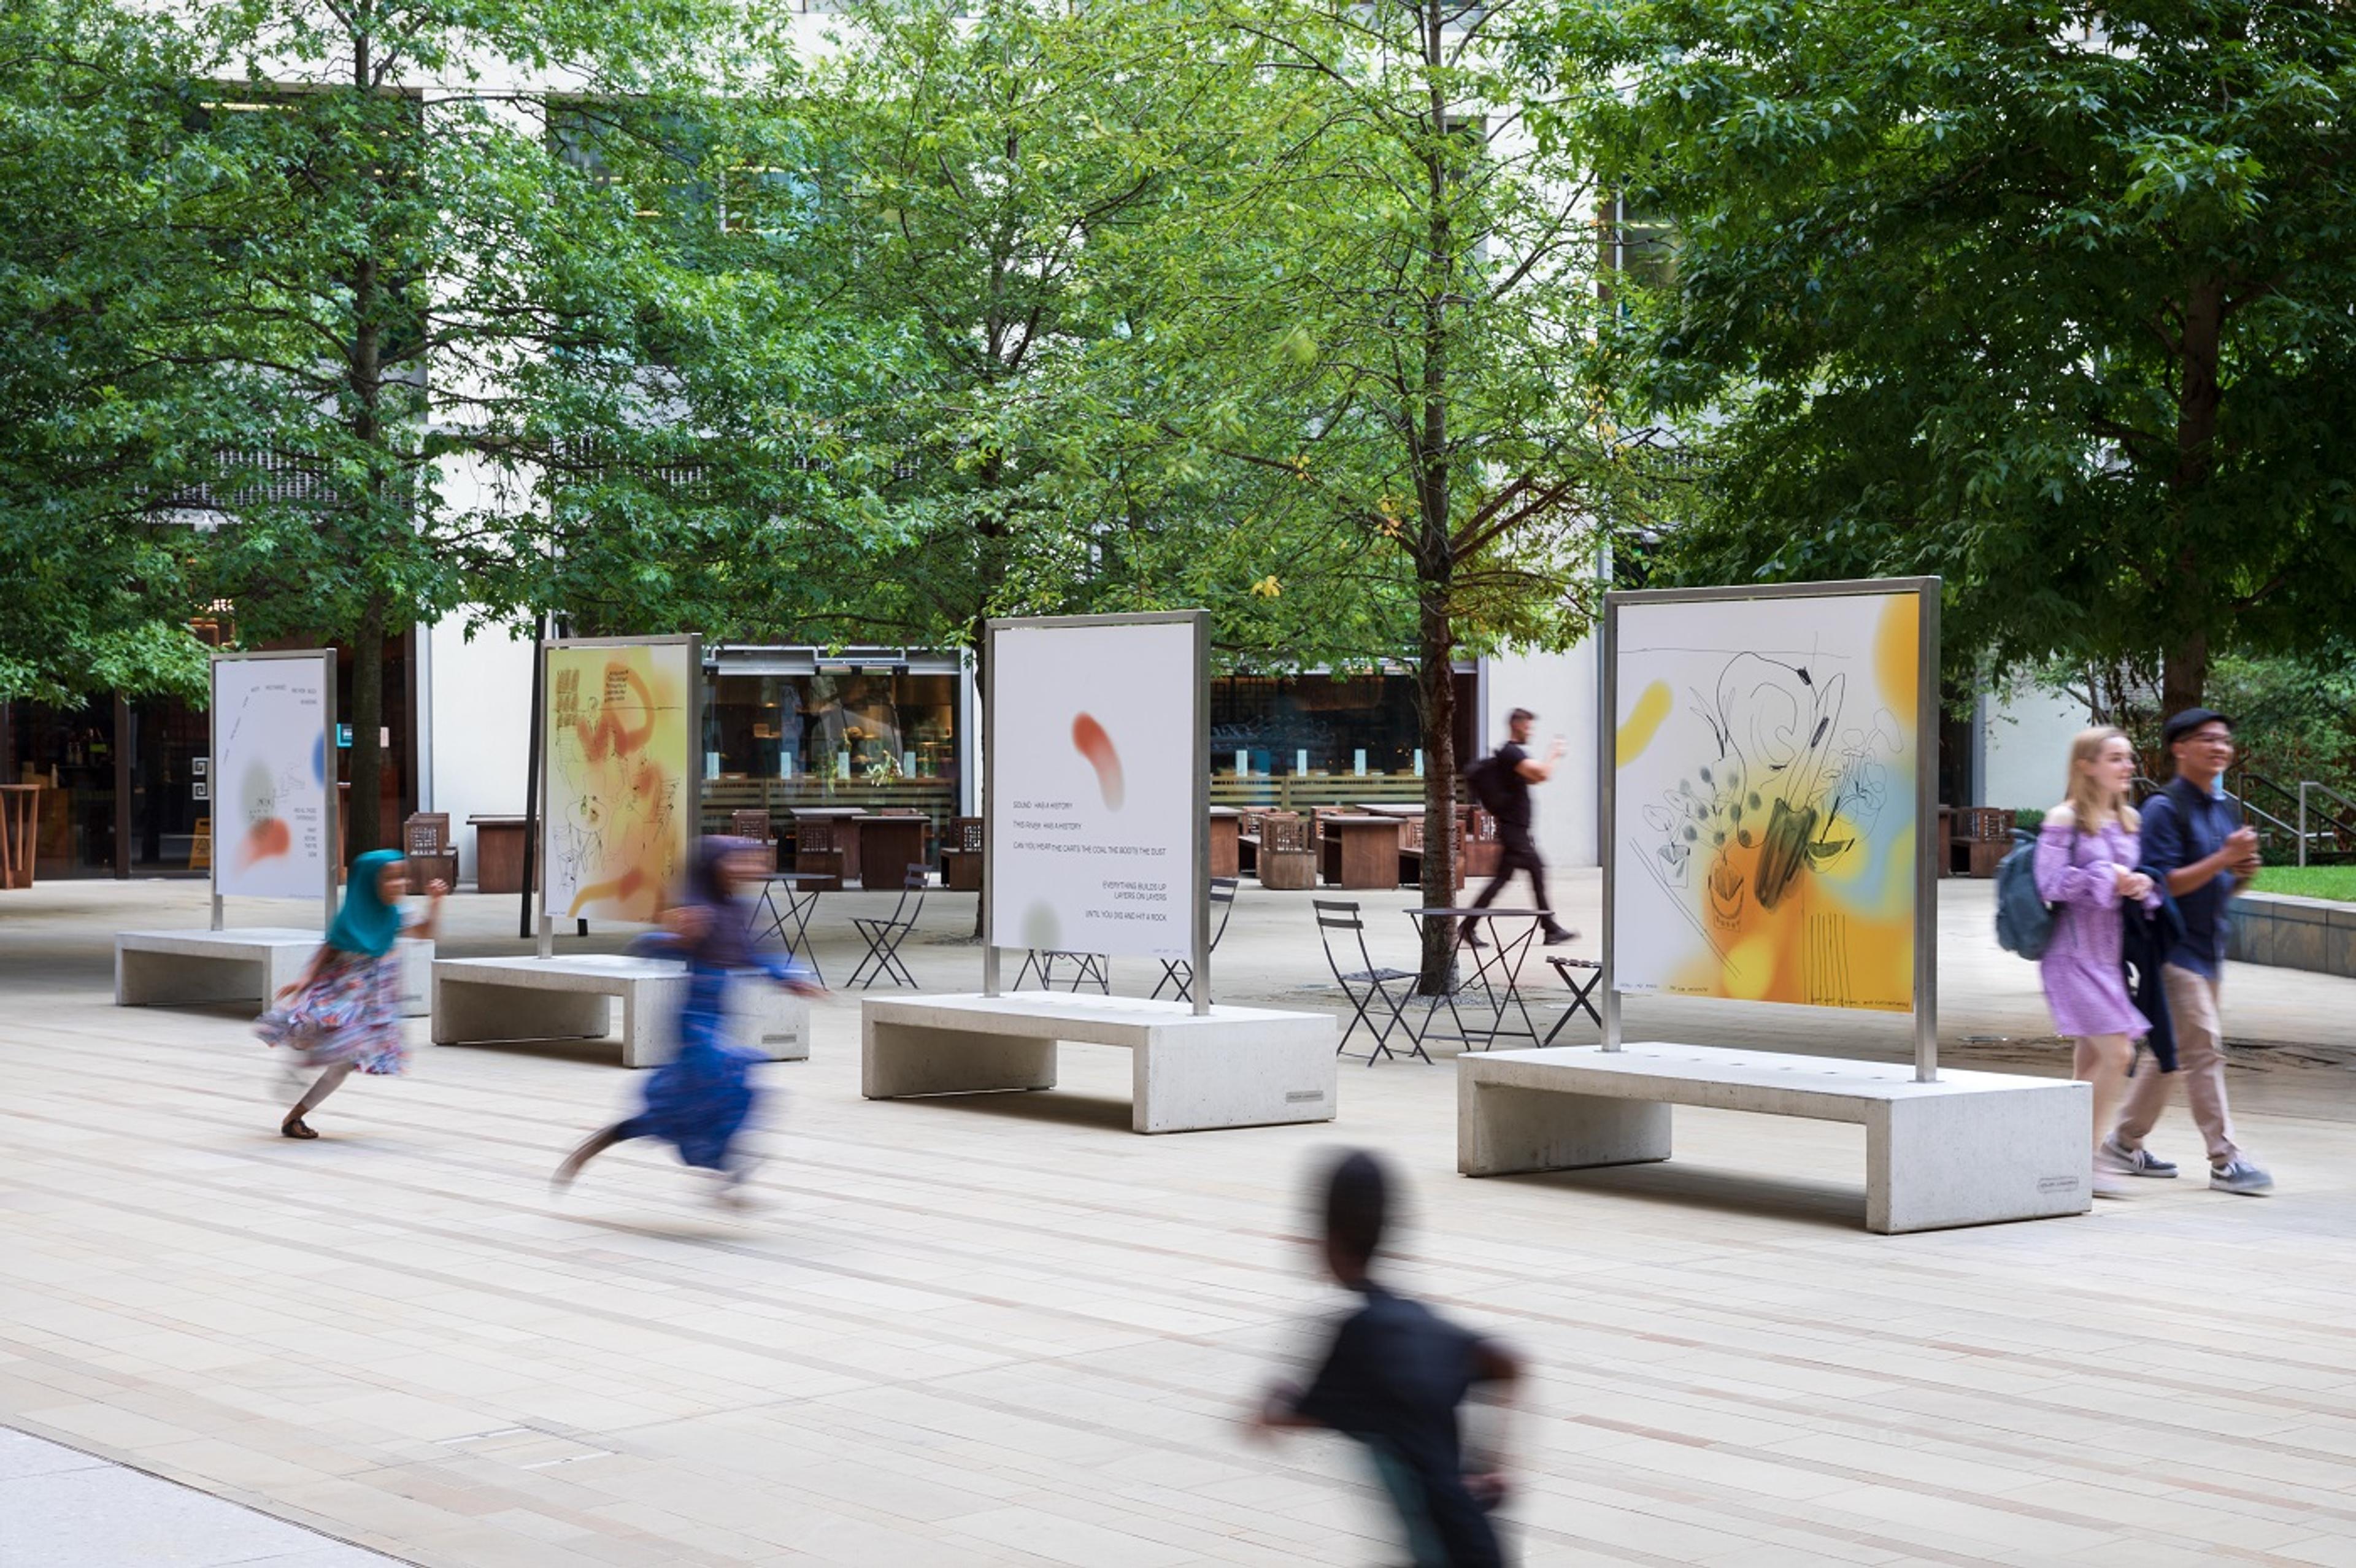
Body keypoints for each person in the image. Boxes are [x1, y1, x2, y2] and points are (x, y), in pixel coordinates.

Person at [1254, 1150, 1522, 1568]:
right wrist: (1493, 1464)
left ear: (1329, 1240)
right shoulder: (1418, 1318)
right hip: (1473, 1542)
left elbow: (1287, 1416)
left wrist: (1273, 1404)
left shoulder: (1358, 1336)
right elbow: (1508, 1362)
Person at [553, 837, 822, 1204]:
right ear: (716, 866)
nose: (749, 868)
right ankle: (722, 1169)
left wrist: (790, 979)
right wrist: (673, 935)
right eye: (739, 861)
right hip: (693, 1022)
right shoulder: (700, 909)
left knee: (710, 1098)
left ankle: (627, 1142)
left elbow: (755, 957)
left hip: (719, 1018)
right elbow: (647, 946)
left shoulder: (738, 911)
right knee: (721, 1077)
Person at [2104, 709, 2273, 1194]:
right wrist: (2223, 857)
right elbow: (2160, 884)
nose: (2220, 748)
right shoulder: (2164, 809)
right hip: (2172, 949)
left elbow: (2217, 884)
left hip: (2208, 947)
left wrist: (2240, 874)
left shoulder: (2223, 808)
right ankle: (2225, 1159)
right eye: (2207, 740)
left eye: (2224, 741)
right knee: (2204, 1051)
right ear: (2179, 748)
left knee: (2172, 1053)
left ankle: (2124, 1141)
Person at [2033, 728, 2160, 1198]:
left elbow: (2134, 885)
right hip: (2071, 955)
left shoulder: (2128, 819)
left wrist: (2142, 886)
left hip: (2109, 957)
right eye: (2115, 758)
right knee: (2118, 1053)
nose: (2127, 766)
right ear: (2086, 765)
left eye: (2129, 758)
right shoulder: (2064, 818)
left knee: (2091, 1061)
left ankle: (2063, 1155)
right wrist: (2109, 877)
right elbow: (2049, 884)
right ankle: (2085, 1160)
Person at [258, 849, 446, 1139]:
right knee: (323, 1041)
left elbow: (425, 931)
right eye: (390, 878)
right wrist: (304, 980)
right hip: (340, 997)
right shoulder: (350, 918)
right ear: (370, 882)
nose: (399, 884)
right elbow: (328, 949)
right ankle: (299, 1069)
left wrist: (435, 903)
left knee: (343, 1064)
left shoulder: (396, 915)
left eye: (402, 877)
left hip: (371, 1004)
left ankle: (294, 1116)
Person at [1466, 709, 1574, 947]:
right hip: (1514, 831)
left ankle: (1468, 926)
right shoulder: (1511, 753)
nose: (1531, 732)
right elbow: (1543, 774)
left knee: (1502, 880)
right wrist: (1554, 754)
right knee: (1536, 869)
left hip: (1515, 830)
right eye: (1529, 727)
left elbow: (1535, 777)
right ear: (1517, 725)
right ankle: (1550, 928)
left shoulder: (1512, 756)